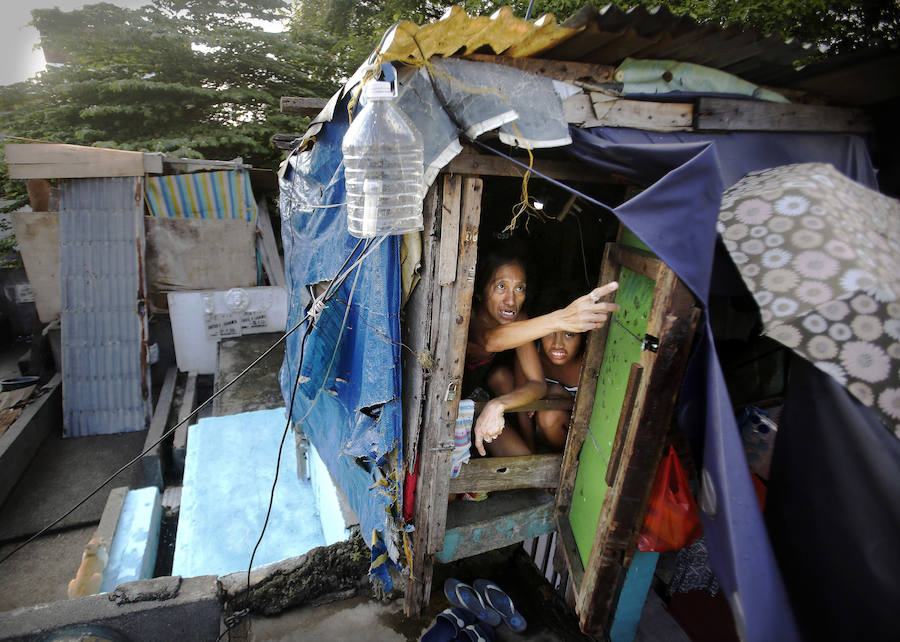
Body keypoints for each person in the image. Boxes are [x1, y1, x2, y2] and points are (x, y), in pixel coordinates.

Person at [464, 241, 618, 457]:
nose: (511, 300)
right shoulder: (467, 315)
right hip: (442, 402)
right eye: (501, 286)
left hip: (473, 399)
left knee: (522, 458)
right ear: (480, 291)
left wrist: (498, 404)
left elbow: (537, 384)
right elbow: (489, 340)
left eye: (519, 288)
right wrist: (561, 319)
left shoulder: (519, 319)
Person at [514, 287, 587, 452]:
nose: (558, 344)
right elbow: (521, 407)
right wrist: (530, 451)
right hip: (538, 430)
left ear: (582, 336)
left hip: (570, 438)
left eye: (569, 335)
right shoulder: (533, 353)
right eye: (550, 333)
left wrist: (555, 393)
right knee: (499, 377)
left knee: (549, 416)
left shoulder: (588, 364)